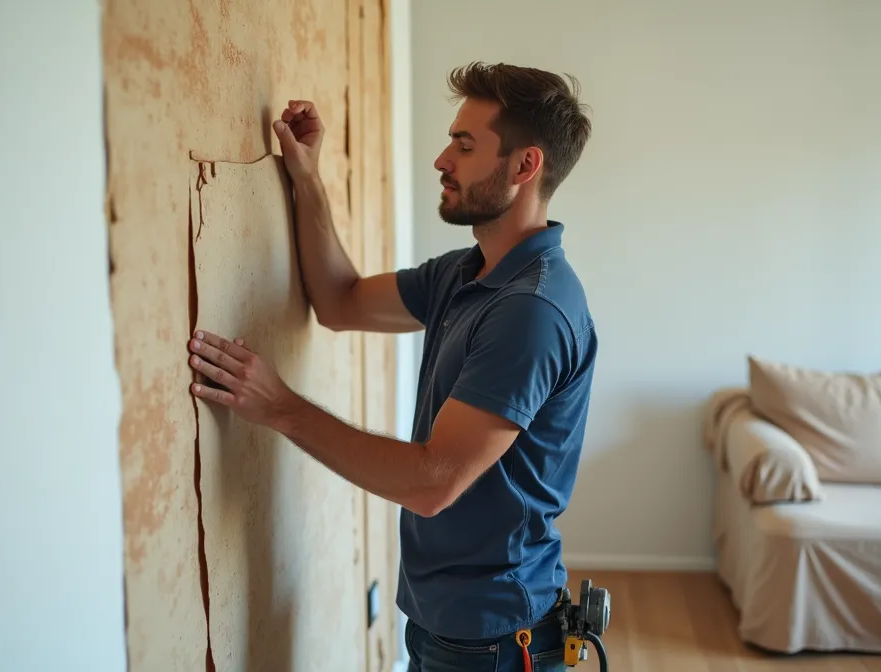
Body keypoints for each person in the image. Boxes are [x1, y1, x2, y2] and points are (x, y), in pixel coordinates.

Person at [187, 61, 596, 671]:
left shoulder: (530, 311)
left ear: (524, 166)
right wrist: (307, 179)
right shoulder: (467, 272)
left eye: (464, 145)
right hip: (443, 625)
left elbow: (432, 483)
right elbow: (340, 299)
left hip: (496, 645)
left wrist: (279, 407)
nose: (441, 159)